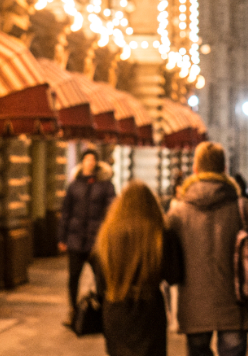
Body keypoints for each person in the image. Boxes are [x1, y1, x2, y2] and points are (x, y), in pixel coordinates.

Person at [168, 142, 248, 356]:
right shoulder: (243, 208)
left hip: (193, 306)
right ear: (224, 169)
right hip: (235, 305)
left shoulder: (177, 213)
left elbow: (168, 260)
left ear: (195, 170)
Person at [90, 181, 183, 356]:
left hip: (115, 309)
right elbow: (174, 275)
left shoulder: (108, 235)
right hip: (149, 310)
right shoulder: (161, 234)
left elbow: (100, 282)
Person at [59, 148, 116, 319]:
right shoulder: (74, 186)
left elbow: (111, 210)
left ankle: (102, 310)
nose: (90, 162)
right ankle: (72, 309)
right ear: (82, 162)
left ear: (96, 164)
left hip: (96, 241)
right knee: (73, 277)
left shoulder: (106, 186)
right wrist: (62, 238)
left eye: (93, 160)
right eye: (87, 159)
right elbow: (66, 213)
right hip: (76, 239)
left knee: (101, 278)